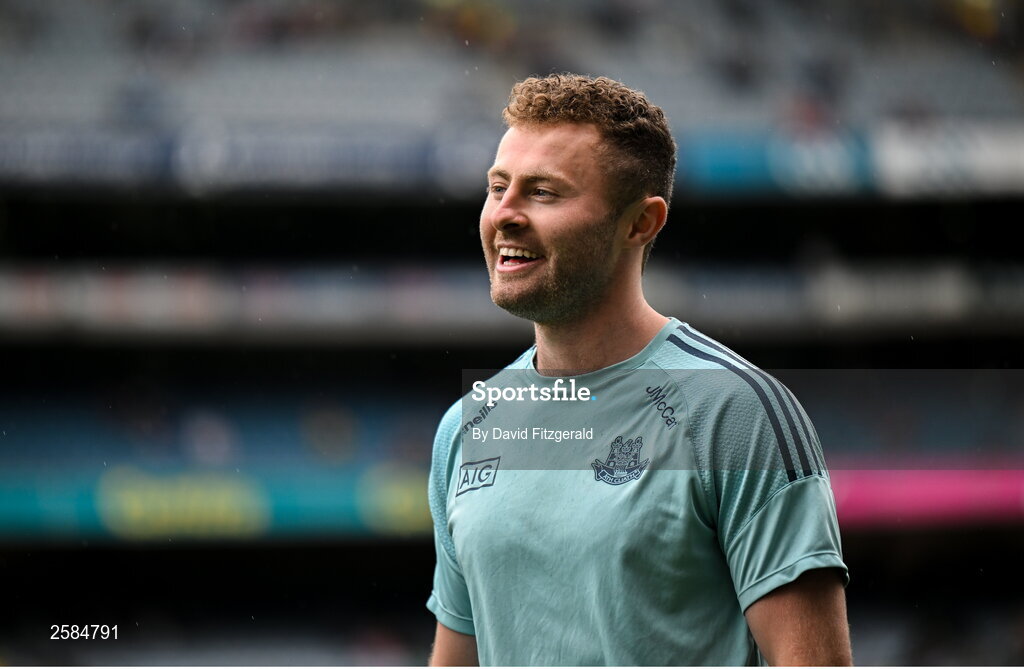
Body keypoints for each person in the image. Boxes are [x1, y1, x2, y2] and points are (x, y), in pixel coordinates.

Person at [426, 73, 851, 666]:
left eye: (543, 192)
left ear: (640, 223)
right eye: (499, 188)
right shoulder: (467, 428)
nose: (505, 214)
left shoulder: (734, 414)